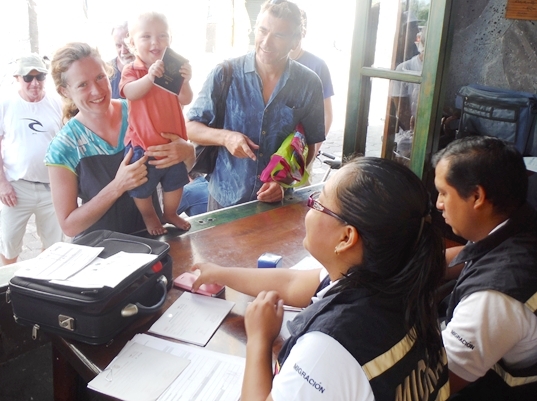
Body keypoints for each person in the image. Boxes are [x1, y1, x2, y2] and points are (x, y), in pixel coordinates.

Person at [191, 157, 450, 400]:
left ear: (346, 238)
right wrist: (220, 273)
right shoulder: (399, 281)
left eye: (318, 203)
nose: (309, 206)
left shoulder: (328, 350)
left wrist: (259, 340)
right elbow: (292, 283)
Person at [45, 42, 194, 238]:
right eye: (83, 85)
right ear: (65, 91)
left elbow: (183, 170)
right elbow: (69, 226)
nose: (97, 91)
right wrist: (118, 186)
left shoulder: (138, 111)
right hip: (102, 253)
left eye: (100, 77)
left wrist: (187, 152)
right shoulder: (64, 147)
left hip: (154, 241)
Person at [187, 0, 325, 211]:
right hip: (225, 199)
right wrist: (226, 137)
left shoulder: (309, 83)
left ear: (295, 41)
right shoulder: (225, 74)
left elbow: (311, 145)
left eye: (279, 35)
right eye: (262, 30)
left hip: (278, 203)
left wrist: (284, 181)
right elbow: (190, 128)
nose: (266, 42)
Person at [433, 136, 537, 400]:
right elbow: (472, 255)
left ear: (477, 196)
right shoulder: (519, 220)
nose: (438, 204)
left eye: (444, 193)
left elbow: (434, 383)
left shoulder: (494, 299)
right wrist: (416, 266)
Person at [120, 11, 194, 235]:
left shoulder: (173, 69)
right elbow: (130, 93)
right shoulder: (132, 70)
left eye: (162, 36)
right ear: (132, 44)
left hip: (173, 146)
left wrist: (186, 81)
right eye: (146, 37)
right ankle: (149, 215)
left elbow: (186, 99)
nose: (155, 42)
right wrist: (150, 77)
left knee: (176, 183)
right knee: (141, 187)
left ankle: (170, 212)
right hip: (144, 145)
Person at [0, 54, 64, 265]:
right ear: (18, 78)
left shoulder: (56, 102)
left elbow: (66, 144)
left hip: (51, 188)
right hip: (17, 188)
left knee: (54, 246)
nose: (34, 83)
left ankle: (41, 288)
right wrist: (2, 184)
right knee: (9, 244)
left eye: (40, 76)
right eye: (28, 78)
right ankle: (8, 289)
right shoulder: (6, 103)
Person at [289, 9, 334, 138]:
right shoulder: (268, 63)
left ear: (303, 33)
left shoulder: (318, 66)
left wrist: (314, 150)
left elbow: (327, 113)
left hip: (301, 144)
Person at [109, 22, 135, 99]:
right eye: (118, 45)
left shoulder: (152, 67)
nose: (123, 51)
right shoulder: (106, 71)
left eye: (127, 44)